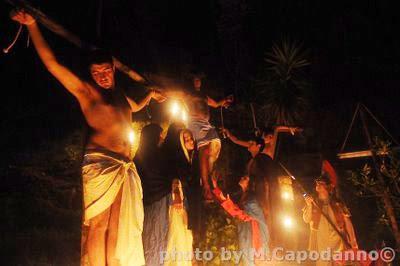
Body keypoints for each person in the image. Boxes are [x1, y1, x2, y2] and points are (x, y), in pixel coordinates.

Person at [11, 10, 165, 266]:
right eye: (96, 73)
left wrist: (151, 96)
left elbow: (134, 108)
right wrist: (33, 25)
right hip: (101, 164)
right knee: (98, 224)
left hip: (123, 166)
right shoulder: (87, 93)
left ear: (113, 68)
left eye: (105, 70)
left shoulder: (119, 95)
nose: (102, 76)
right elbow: (53, 65)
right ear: (91, 74)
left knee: (117, 223)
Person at [165, 73, 233, 202]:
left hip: (206, 124)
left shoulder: (204, 96)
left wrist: (224, 101)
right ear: (191, 81)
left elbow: (216, 104)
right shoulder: (186, 94)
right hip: (195, 122)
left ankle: (208, 180)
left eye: (199, 80)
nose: (198, 82)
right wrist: (159, 92)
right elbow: (170, 93)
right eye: (195, 79)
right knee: (204, 149)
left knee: (214, 148)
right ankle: (206, 186)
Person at [141, 124, 195, 265]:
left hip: (156, 202)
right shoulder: (158, 156)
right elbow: (172, 176)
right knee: (162, 239)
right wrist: (176, 191)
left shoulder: (149, 155)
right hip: (162, 202)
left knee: (163, 239)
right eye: (159, 135)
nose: (161, 138)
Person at [212, 174, 270, 266]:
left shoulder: (252, 201)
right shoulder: (245, 198)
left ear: (250, 184)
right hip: (246, 235)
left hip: (253, 238)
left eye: (245, 178)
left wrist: (226, 202)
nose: (241, 178)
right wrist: (216, 190)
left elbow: (242, 215)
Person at [303, 175, 359, 266]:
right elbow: (306, 219)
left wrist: (353, 241)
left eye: (321, 183)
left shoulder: (337, 203)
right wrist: (309, 205)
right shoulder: (313, 202)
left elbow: (347, 222)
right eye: (317, 183)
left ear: (328, 187)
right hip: (320, 241)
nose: (318, 185)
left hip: (337, 241)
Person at [222, 126, 301, 159]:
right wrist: (228, 134)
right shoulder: (258, 145)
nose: (263, 138)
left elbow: (277, 129)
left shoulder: (271, 148)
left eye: (264, 136)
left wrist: (290, 128)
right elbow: (236, 141)